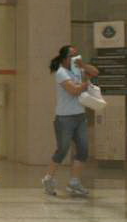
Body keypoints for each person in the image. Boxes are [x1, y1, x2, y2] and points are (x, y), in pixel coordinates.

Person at [41, 45, 99, 197]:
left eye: (77, 55)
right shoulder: (61, 72)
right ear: (64, 58)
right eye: (72, 56)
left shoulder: (77, 69)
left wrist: (83, 66)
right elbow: (73, 90)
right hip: (64, 118)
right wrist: (87, 84)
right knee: (63, 149)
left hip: (80, 116)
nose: (75, 58)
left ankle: (74, 182)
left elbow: (95, 72)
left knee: (83, 150)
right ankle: (48, 179)